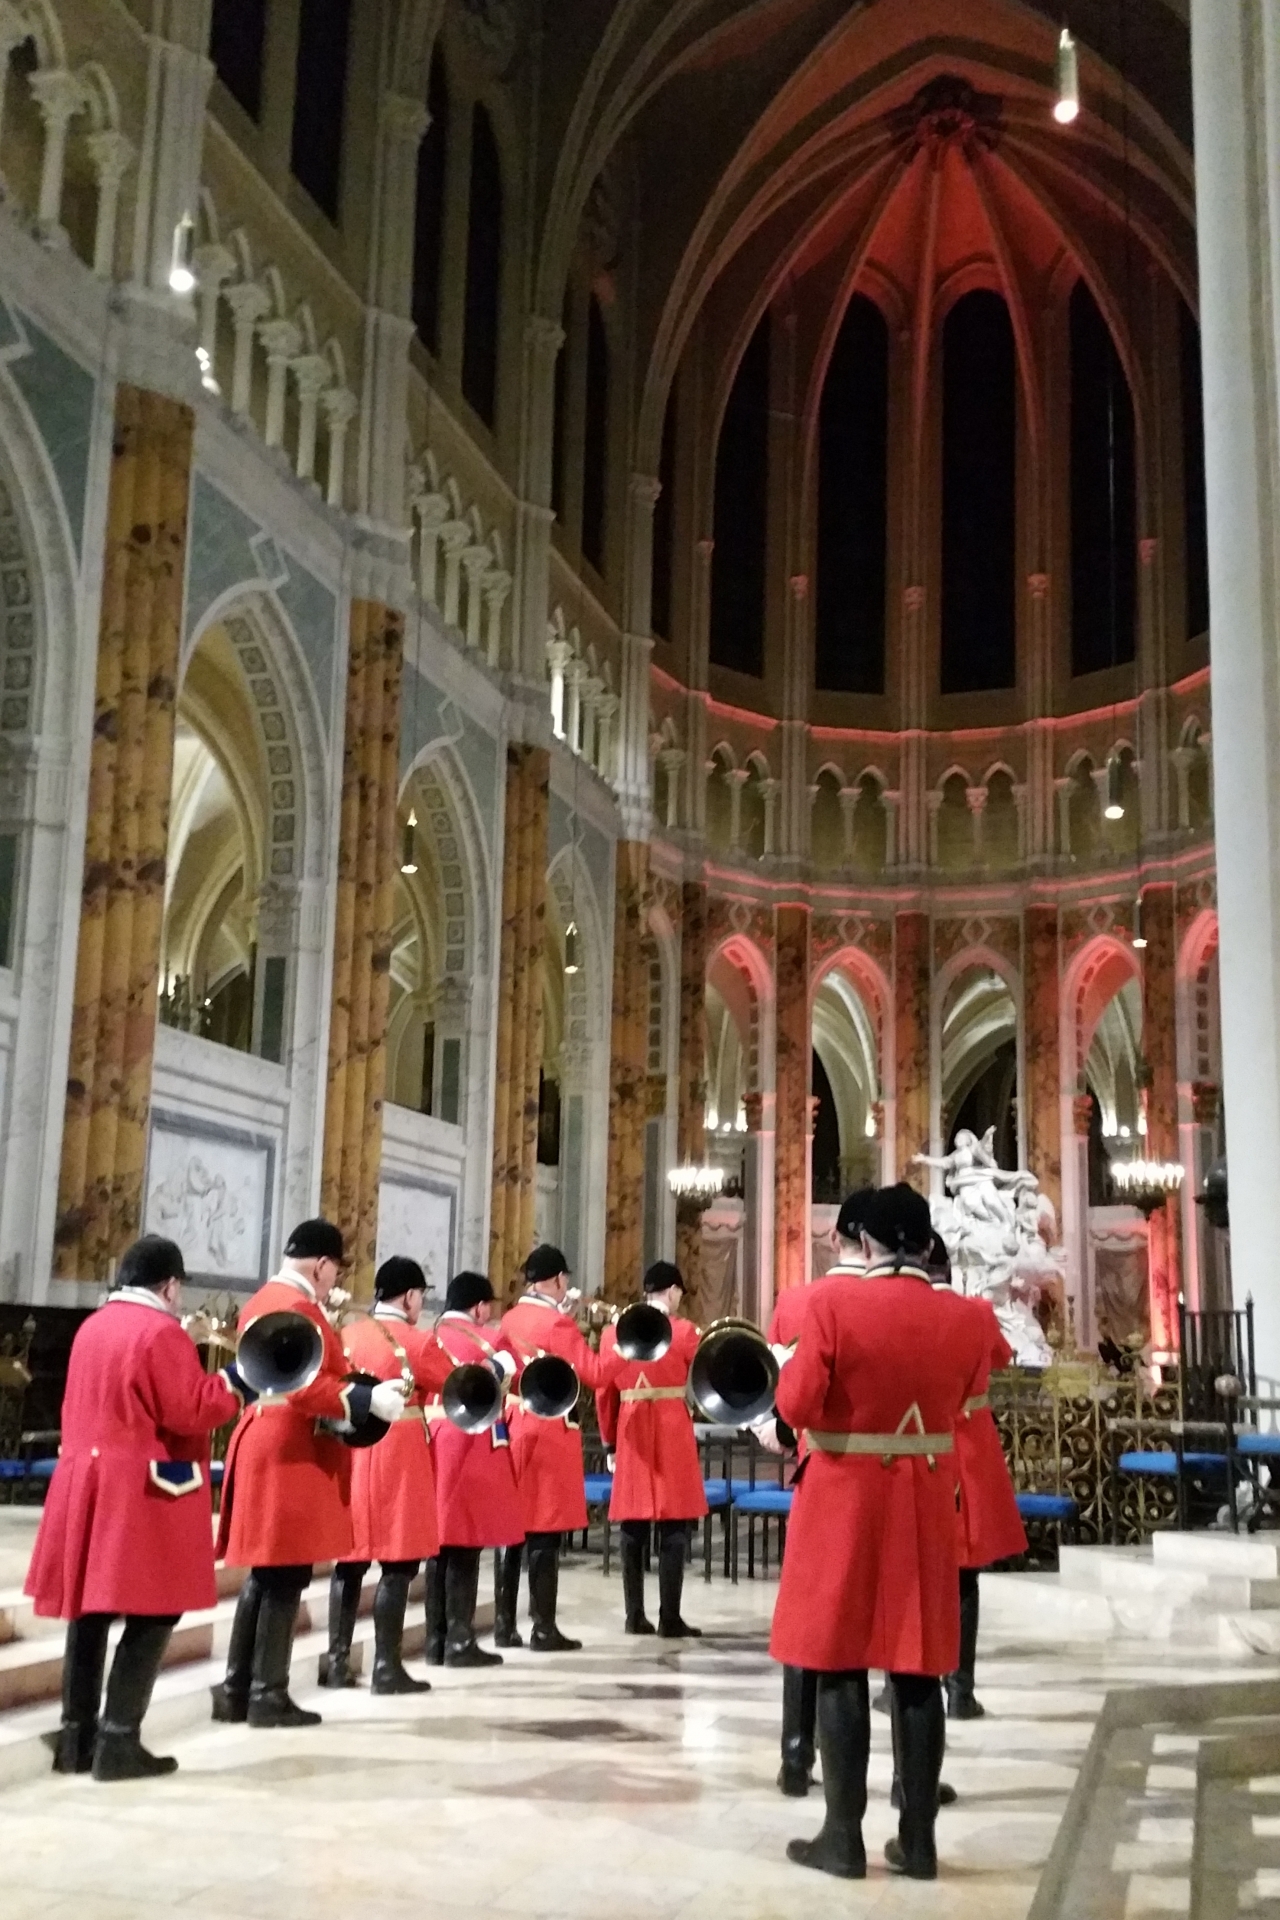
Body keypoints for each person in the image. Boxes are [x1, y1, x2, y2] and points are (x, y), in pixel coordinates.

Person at [771, 1183, 988, 1882]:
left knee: (837, 1661)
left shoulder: (832, 1303)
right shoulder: (966, 1315)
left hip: (844, 1498)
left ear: (864, 1243)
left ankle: (843, 1837)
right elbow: (964, 1401)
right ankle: (918, 1842)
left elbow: (795, 1402)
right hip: (925, 1497)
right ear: (927, 1245)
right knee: (919, 1669)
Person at [25, 1236, 250, 1780]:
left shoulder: (92, 1326)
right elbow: (191, 1410)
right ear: (170, 1285)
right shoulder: (159, 1332)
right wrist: (235, 1382)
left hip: (85, 1482)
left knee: (90, 1610)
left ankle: (77, 1736)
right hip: (141, 1490)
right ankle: (120, 1740)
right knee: (154, 1610)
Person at [213, 1220, 407, 1729]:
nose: (333, 1281)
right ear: (321, 1264)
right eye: (334, 1270)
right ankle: (267, 1694)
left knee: (266, 1574)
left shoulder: (262, 1298)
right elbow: (305, 1385)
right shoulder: (297, 1305)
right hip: (289, 1446)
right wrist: (363, 1397)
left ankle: (239, 1688)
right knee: (284, 1575)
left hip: (264, 1435)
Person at [769, 1189, 874, 1800]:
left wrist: (782, 1434)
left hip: (819, 1469)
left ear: (834, 1240)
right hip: (895, 1477)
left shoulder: (797, 1300)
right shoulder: (895, 1299)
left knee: (809, 1614)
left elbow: (781, 1391)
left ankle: (795, 1752)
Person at [323, 1256, 454, 1694]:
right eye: (421, 1296)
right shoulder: (417, 1342)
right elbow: (454, 1383)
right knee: (397, 1566)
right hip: (399, 1455)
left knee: (350, 1562)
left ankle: (338, 1662)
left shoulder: (346, 1334)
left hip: (353, 1452)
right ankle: (385, 1666)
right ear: (411, 1296)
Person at [494, 1245, 617, 1651]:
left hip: (513, 1425)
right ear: (559, 1280)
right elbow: (597, 1375)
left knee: (511, 1531)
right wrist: (616, 1343)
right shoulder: (558, 1325)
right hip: (548, 1430)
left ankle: (503, 1625)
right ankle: (543, 1627)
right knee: (544, 1533)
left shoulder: (509, 1318)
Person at [595, 1260, 707, 1638]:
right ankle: (669, 1618)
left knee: (632, 1526)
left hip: (630, 1427)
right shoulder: (685, 1331)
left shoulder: (613, 1334)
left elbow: (603, 1393)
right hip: (672, 1427)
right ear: (673, 1291)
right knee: (674, 1526)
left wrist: (609, 1440)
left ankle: (634, 1615)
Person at [425, 1270, 521, 1667]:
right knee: (466, 1545)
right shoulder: (491, 1340)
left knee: (438, 1547)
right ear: (480, 1307)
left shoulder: (430, 1337)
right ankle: (460, 1640)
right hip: (472, 1440)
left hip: (432, 1439)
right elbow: (511, 1383)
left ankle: (435, 1641)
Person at [944, 1270, 1026, 1719]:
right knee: (964, 1574)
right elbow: (1001, 1356)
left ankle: (898, 1683)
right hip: (968, 1446)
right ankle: (960, 1689)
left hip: (912, 1443)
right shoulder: (974, 1312)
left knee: (911, 1574)